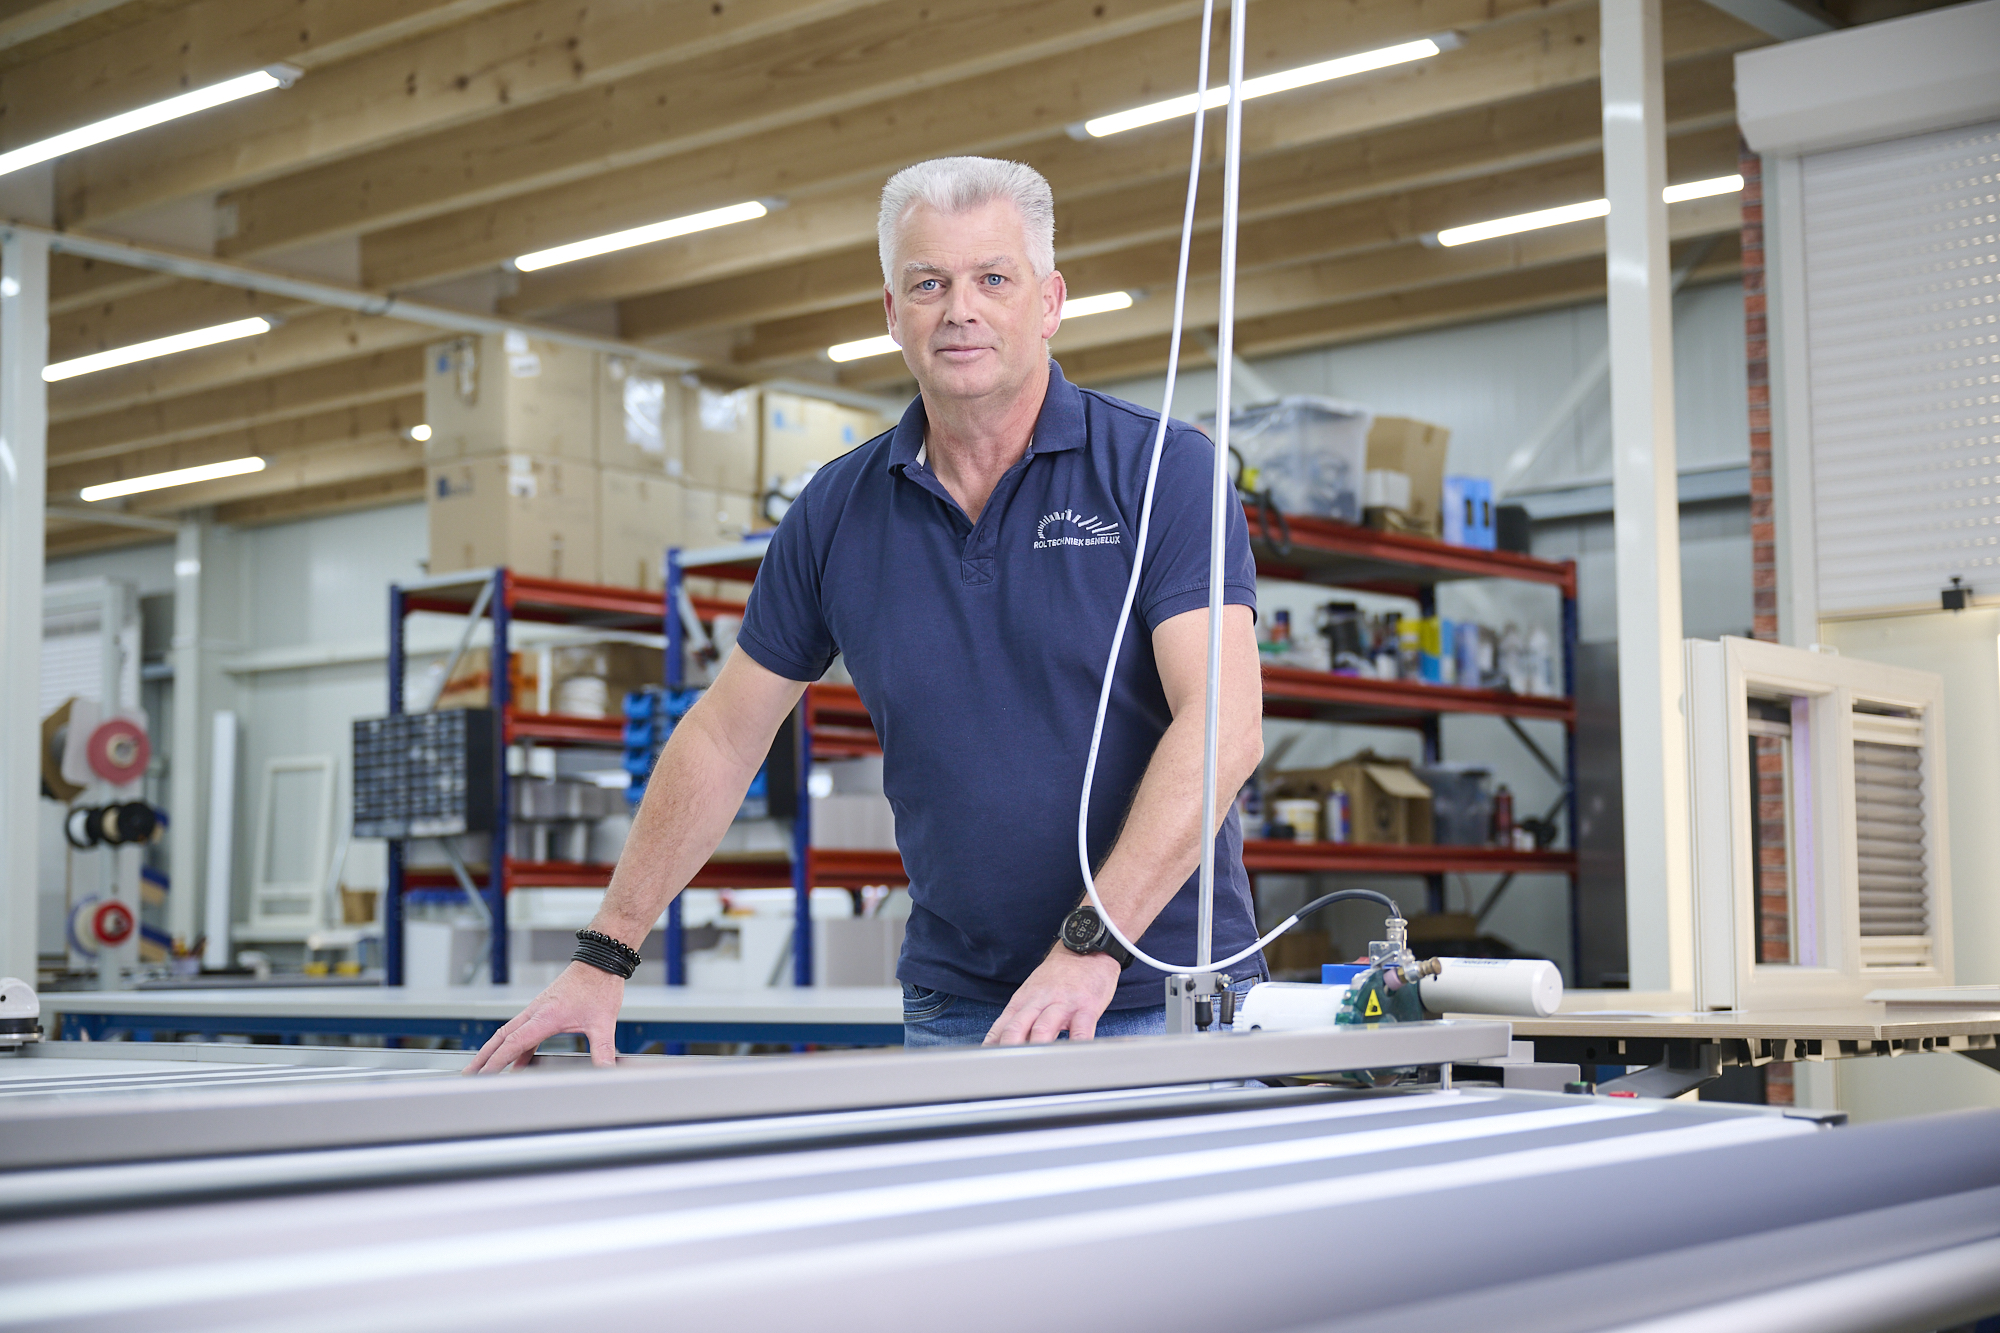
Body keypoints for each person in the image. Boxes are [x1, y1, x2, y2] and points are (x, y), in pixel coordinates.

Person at [465, 156, 1263, 1071]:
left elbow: (1224, 727)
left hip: (1160, 994)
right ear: (893, 314)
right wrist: (604, 953)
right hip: (956, 1004)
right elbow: (725, 737)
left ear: (1049, 303)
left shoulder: (1164, 472)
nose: (960, 308)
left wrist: (1089, 947)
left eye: (993, 279)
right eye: (929, 283)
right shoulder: (838, 510)